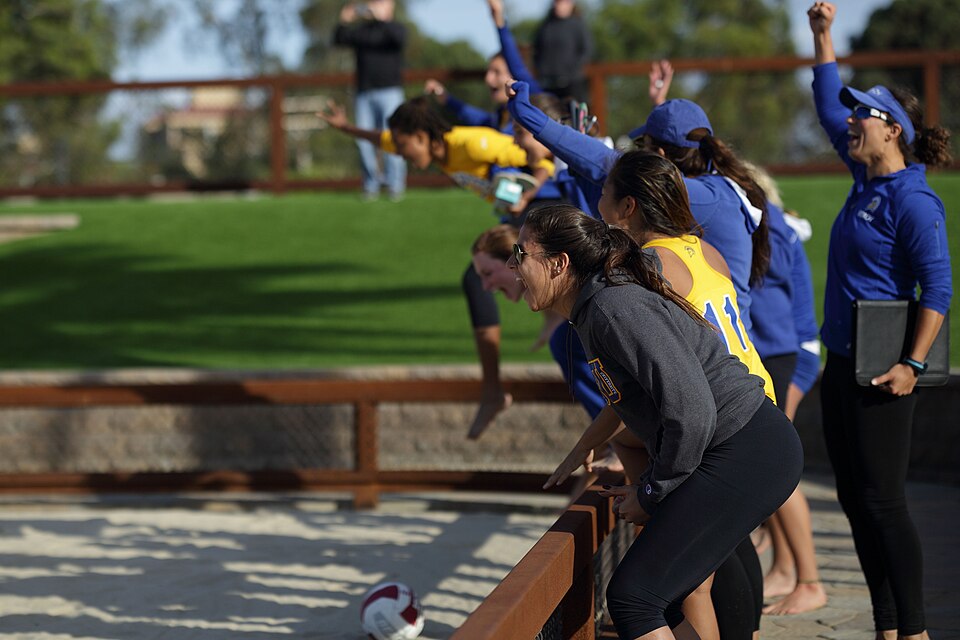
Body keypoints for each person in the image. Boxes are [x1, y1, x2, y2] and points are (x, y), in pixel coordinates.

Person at [516, 204, 802, 640]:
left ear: (559, 264)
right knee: (660, 595)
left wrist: (653, 493)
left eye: (521, 254)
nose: (513, 266)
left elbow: (691, 410)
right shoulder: (596, 308)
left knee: (635, 597)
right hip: (737, 449)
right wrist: (594, 450)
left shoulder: (614, 307)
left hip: (748, 448)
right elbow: (641, 401)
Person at [809, 3, 953, 639]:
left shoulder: (914, 200)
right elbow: (825, 104)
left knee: (884, 502)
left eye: (862, 113)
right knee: (853, 497)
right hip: (843, 362)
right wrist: (822, 37)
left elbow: (939, 289)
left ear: (892, 130)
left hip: (884, 369)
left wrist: (911, 365)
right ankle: (887, 626)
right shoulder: (863, 178)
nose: (850, 121)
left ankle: (915, 630)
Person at [599, 149, 774, 640]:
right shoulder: (705, 249)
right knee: (725, 549)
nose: (597, 203)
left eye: (603, 193)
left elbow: (662, 372)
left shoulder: (649, 264)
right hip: (756, 397)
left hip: (722, 413)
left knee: (693, 581)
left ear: (628, 206)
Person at [506, 80, 770, 338]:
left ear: (660, 155)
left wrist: (531, 118)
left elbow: (605, 162)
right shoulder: (720, 190)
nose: (638, 154)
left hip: (713, 353)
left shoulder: (701, 195)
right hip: (725, 349)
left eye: (643, 147)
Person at [333, 0, 407, 201]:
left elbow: (399, 39)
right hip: (364, 93)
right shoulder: (362, 31)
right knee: (363, 141)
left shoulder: (395, 29)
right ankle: (370, 185)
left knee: (393, 138)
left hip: (390, 92)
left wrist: (382, 19)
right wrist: (344, 20)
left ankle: (395, 185)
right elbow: (339, 39)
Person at [533, 0, 593, 101]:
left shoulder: (578, 25)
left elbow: (587, 50)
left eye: (563, 2)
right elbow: (536, 50)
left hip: (572, 84)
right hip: (547, 83)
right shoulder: (545, 26)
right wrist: (540, 69)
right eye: (557, 2)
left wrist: (572, 70)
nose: (559, 5)